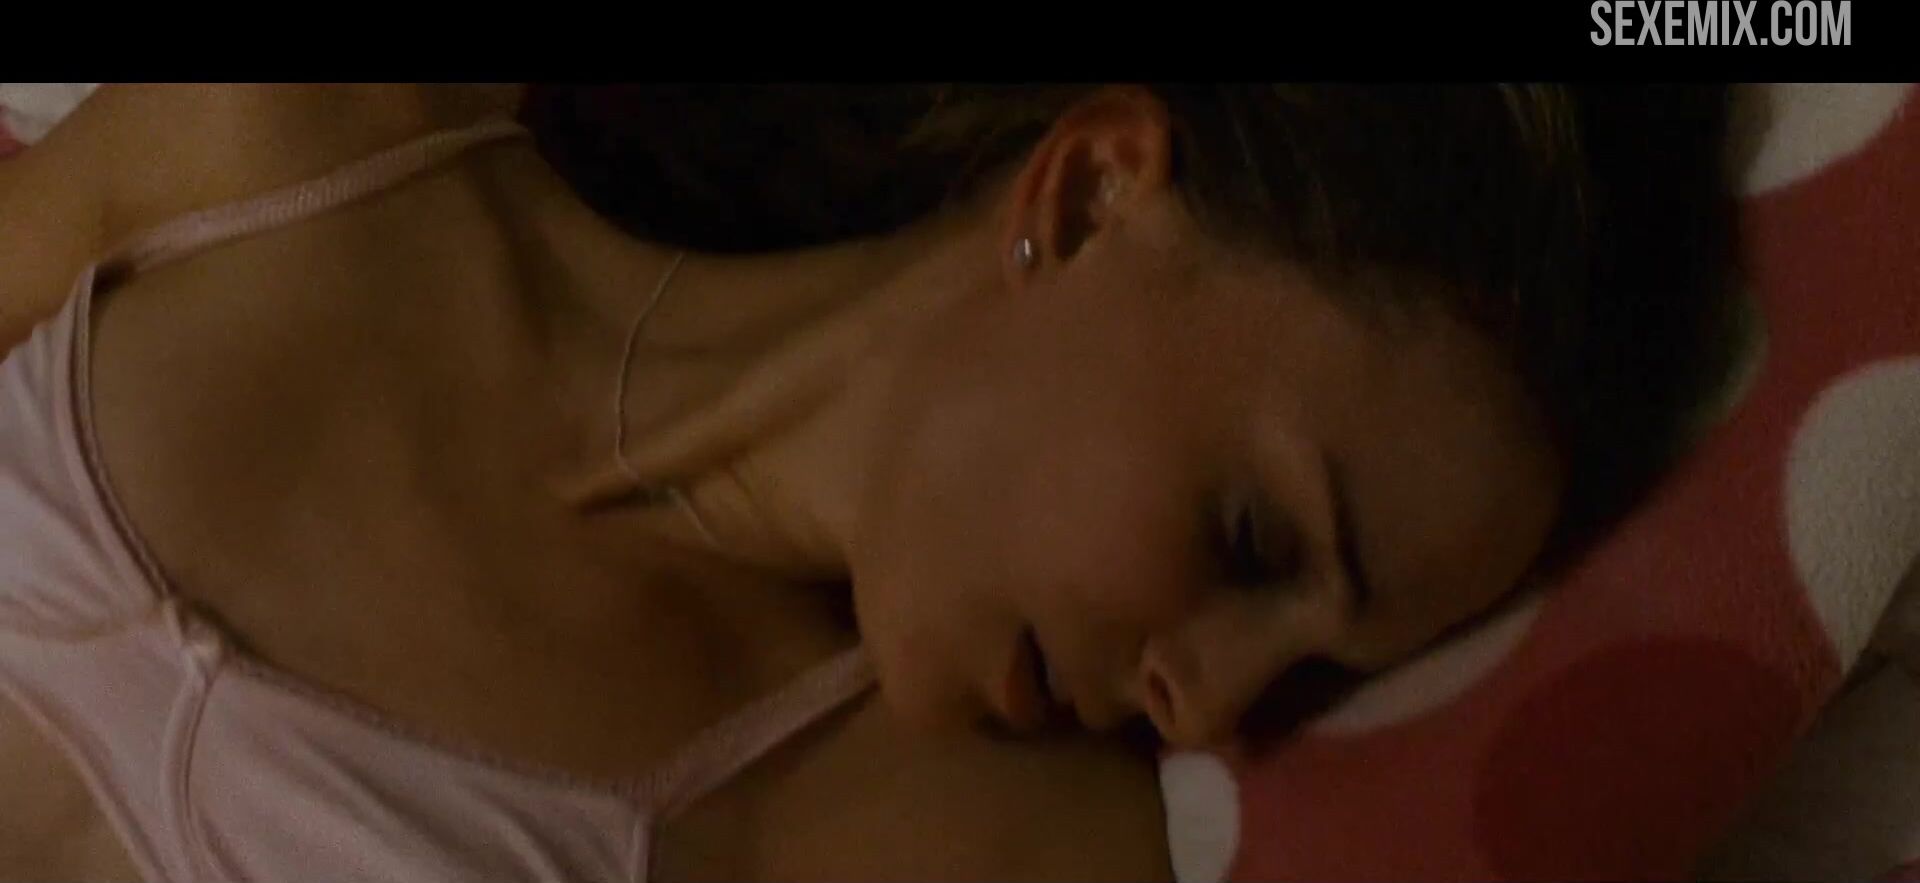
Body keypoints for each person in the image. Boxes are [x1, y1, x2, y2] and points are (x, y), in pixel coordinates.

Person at [0, 83, 1742, 881]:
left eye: (1310, 669)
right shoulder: (305, 144)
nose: (1206, 702)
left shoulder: (969, 844)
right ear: (1089, 193)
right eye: (1252, 540)